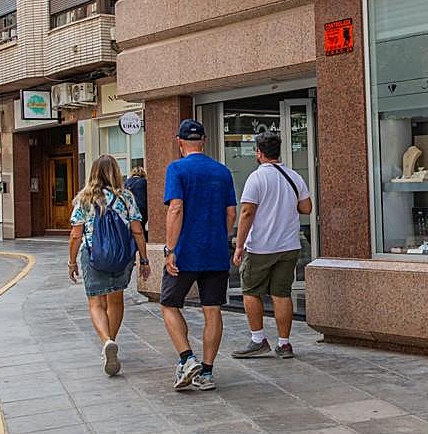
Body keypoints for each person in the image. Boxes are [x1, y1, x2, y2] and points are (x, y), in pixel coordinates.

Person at [161, 119, 237, 391]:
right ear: (203, 141)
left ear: (179, 142)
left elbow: (175, 209)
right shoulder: (222, 171)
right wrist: (220, 236)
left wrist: (170, 249)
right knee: (212, 309)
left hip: (185, 252)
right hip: (216, 251)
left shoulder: (177, 169)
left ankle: (186, 357)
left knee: (169, 304)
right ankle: (206, 371)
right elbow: (231, 213)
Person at [231, 132, 311, 359]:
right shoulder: (294, 176)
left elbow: (246, 212)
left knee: (251, 291)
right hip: (289, 245)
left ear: (259, 152)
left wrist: (239, 245)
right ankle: (284, 344)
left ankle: (258, 339)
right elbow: (306, 208)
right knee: (281, 294)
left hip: (261, 246)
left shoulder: (256, 178)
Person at [68, 155, 151, 376]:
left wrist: (71, 261)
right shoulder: (126, 197)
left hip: (93, 255)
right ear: (116, 172)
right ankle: (112, 340)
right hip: (122, 257)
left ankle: (106, 342)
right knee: (116, 301)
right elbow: (137, 230)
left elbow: (75, 235)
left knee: (96, 303)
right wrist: (144, 259)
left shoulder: (84, 199)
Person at [125, 166, 149, 236]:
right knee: (140, 227)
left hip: (129, 208)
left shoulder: (127, 182)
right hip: (141, 207)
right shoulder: (144, 182)